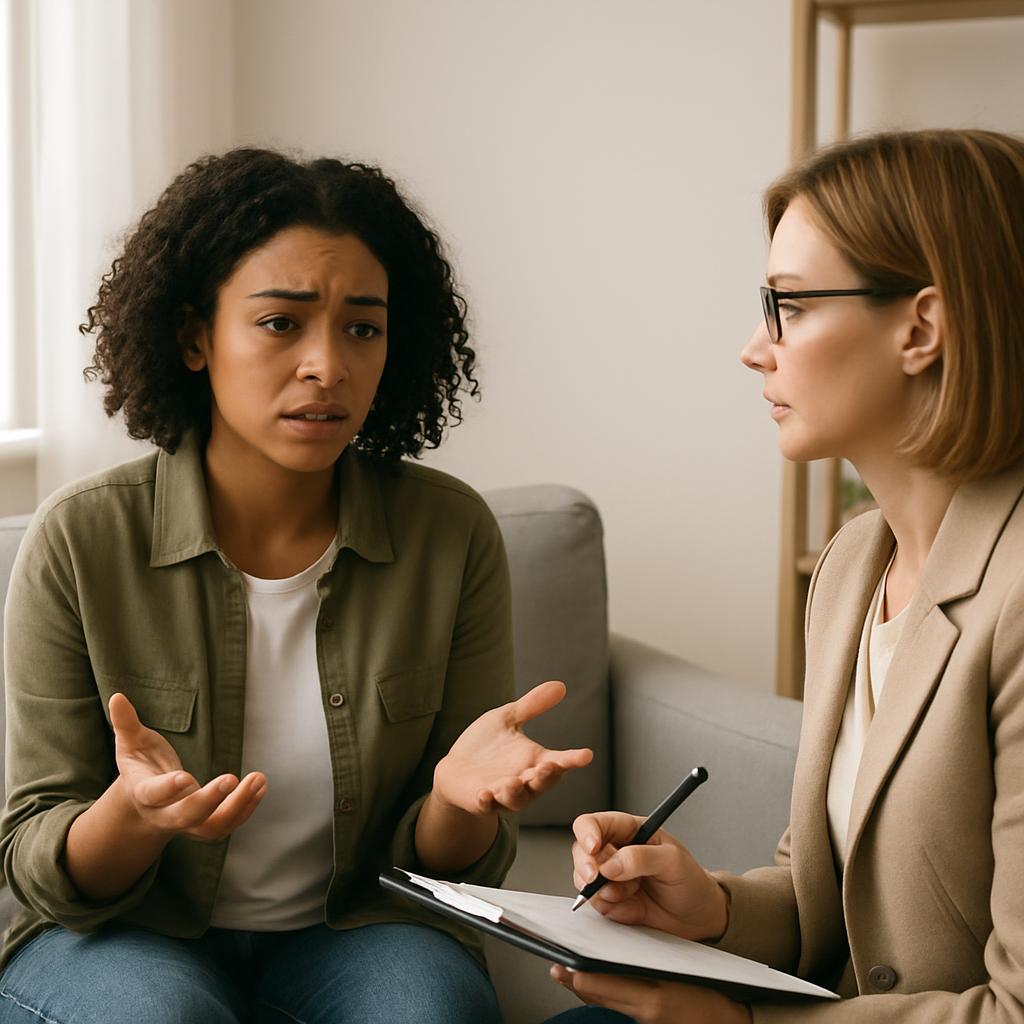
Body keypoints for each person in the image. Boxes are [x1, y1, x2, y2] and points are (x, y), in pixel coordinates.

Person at [0, 147, 593, 1024]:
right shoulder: (83, 538)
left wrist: (459, 804)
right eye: (282, 323)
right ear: (195, 335)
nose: (328, 365)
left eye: (363, 327)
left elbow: (447, 869)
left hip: (362, 925)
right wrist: (133, 815)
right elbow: (36, 857)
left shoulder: (448, 533)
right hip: (129, 930)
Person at [543, 128, 1024, 1022]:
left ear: (921, 327)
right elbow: (826, 891)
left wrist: (741, 1023)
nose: (756, 349)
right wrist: (711, 909)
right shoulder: (852, 563)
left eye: (791, 306)